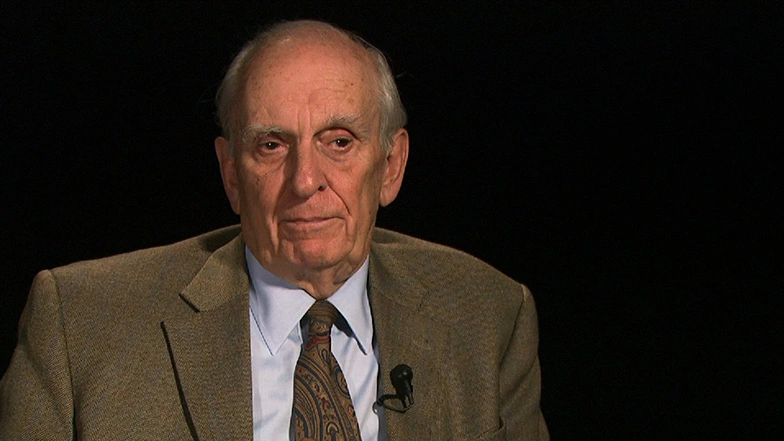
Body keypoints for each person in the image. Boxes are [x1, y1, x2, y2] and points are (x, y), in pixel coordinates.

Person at [0, 20, 548, 440]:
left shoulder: (489, 314)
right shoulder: (80, 324)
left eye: (339, 141)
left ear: (391, 165)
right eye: (271, 145)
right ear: (232, 174)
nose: (305, 180)